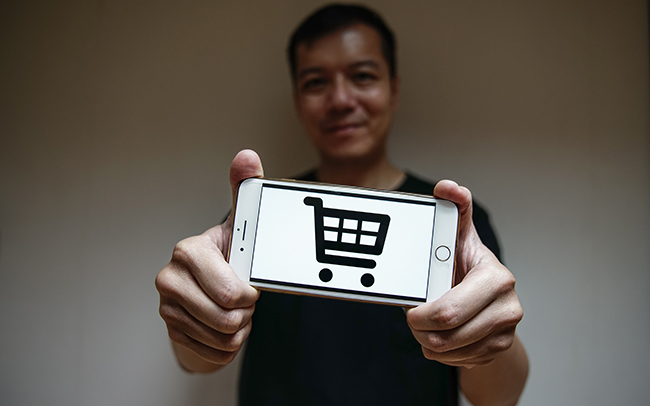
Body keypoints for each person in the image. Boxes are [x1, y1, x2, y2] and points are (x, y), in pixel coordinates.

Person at [155, 4, 529, 405]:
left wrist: (489, 336)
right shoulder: (264, 214)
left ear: (394, 89)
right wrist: (189, 315)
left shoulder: (454, 226)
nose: (340, 99)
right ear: (298, 100)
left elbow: (498, 397)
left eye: (362, 76)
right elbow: (197, 359)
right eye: (316, 82)